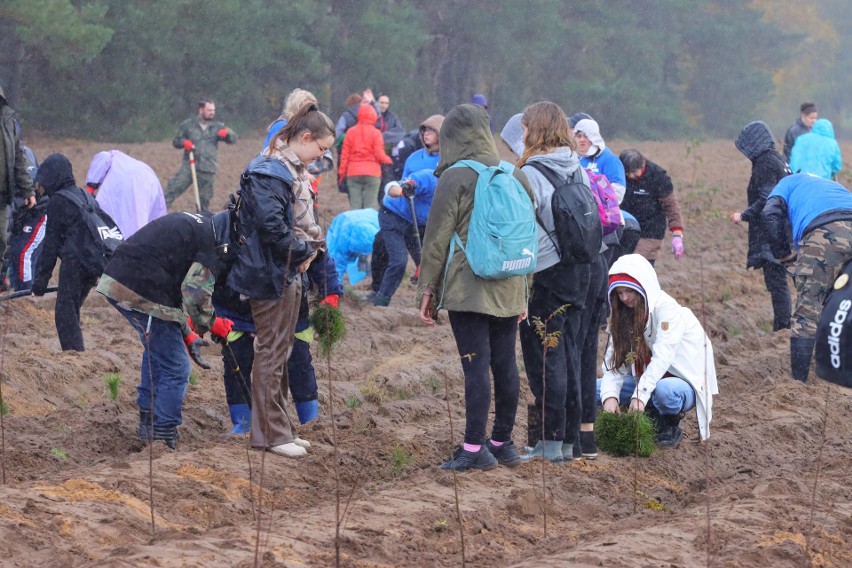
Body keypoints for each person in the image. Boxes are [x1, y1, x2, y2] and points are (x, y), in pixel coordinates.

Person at [417, 103, 533, 471]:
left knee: (475, 367)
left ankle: (472, 449)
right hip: (511, 283)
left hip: (470, 288)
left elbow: (435, 240)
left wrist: (427, 293)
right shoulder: (516, 174)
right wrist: (525, 290)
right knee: (505, 364)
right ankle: (502, 443)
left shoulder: (455, 177)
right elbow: (527, 236)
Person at [227, 103, 333, 458]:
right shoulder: (268, 173)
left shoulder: (289, 170)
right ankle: (269, 436)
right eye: (320, 149)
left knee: (281, 351)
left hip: (287, 271)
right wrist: (305, 251)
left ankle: (281, 427)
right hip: (270, 274)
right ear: (305, 138)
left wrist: (307, 253)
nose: (321, 157)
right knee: (270, 352)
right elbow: (273, 228)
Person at [500, 103, 598, 464]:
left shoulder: (527, 173)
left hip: (546, 273)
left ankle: (548, 443)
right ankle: (569, 442)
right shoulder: (576, 166)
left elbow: (520, 230)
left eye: (524, 127)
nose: (521, 133)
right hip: (581, 270)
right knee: (570, 352)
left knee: (545, 357)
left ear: (532, 130)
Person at [97, 209, 236, 448]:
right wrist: (213, 323)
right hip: (137, 287)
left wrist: (188, 333)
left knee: (158, 352)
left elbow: (173, 297)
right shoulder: (209, 244)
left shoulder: (201, 227)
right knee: (177, 366)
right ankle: (163, 434)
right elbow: (193, 296)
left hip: (128, 279)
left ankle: (149, 424)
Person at [598, 254, 718, 447]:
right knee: (597, 389)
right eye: (619, 293)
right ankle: (635, 412)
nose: (625, 298)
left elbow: (662, 357)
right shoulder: (624, 316)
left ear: (644, 287)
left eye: (629, 291)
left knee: (665, 391)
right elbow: (613, 362)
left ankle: (669, 424)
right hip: (643, 381)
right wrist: (610, 397)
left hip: (680, 382)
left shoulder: (667, 310)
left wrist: (639, 396)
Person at [761, 174, 852, 382]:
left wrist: (783, 253)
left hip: (826, 230)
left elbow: (769, 213)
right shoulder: (831, 185)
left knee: (808, 310)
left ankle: (798, 384)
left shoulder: (786, 183)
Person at [30, 155, 107, 351]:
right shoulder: (84, 195)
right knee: (71, 310)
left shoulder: (57, 201)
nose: (42, 187)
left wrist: (40, 282)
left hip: (75, 262)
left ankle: (75, 356)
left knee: (64, 315)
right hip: (93, 263)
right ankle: (77, 352)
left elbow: (50, 245)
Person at [370, 114, 444, 296]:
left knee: (428, 263)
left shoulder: (447, 162)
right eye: (425, 130)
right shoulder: (414, 158)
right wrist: (401, 189)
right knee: (383, 249)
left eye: (432, 131)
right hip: (398, 214)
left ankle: (431, 300)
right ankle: (377, 293)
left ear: (443, 136)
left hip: (423, 223)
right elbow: (401, 183)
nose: (426, 134)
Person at [730, 121, 792, 332]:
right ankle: (783, 324)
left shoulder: (764, 163)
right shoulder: (778, 159)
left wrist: (743, 215)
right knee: (779, 280)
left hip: (771, 231)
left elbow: (767, 198)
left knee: (777, 282)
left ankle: (783, 326)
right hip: (782, 227)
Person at [369, 169, 437, 306]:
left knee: (428, 264)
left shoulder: (456, 189)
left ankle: (430, 305)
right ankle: (381, 300)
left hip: (416, 225)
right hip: (392, 217)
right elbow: (390, 187)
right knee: (399, 261)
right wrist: (402, 191)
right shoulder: (428, 177)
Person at [164, 99, 237, 212]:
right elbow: (176, 141)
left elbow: (233, 139)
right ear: (201, 110)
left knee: (204, 200)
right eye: (209, 110)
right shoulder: (188, 125)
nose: (212, 113)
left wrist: (227, 133)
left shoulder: (217, 126)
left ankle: (201, 223)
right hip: (189, 166)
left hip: (208, 168)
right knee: (173, 189)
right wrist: (184, 142)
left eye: (213, 110)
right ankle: (157, 213)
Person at [618, 149, 685, 265]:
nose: (631, 176)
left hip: (650, 231)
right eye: (627, 173)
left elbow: (671, 206)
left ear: (643, 164)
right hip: (626, 228)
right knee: (619, 264)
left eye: (634, 172)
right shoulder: (619, 174)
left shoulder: (658, 177)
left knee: (637, 264)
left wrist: (677, 234)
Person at [86, 150, 167, 238]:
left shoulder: (109, 155)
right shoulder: (139, 167)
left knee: (109, 223)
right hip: (149, 180)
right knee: (139, 222)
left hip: (121, 180)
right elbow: (158, 208)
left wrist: (90, 189)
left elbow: (102, 159)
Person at [0, 84, 36, 265]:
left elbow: (19, 157)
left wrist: (28, 190)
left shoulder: (8, 122)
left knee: (2, 241)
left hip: (2, 196)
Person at [338, 103, 392, 210]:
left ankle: (356, 226)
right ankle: (367, 226)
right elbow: (379, 154)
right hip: (372, 173)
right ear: (373, 116)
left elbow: (344, 156)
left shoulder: (350, 132)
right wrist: (389, 160)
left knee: (355, 207)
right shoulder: (376, 133)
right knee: (370, 207)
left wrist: (341, 174)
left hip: (353, 173)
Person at [572, 118, 626, 202]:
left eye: (586, 136)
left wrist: (596, 202)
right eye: (579, 136)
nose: (582, 140)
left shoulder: (609, 159)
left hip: (601, 211)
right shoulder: (569, 158)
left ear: (594, 137)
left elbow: (618, 191)